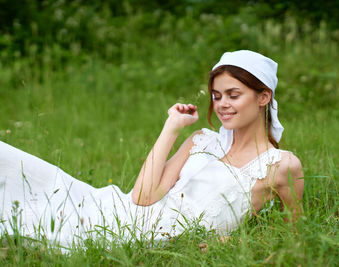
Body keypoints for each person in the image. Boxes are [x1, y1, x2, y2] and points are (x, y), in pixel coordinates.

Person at [0, 50, 304, 248]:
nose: (222, 104)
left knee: (32, 221)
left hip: (150, 238)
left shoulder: (281, 165)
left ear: (263, 97)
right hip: (121, 214)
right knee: (26, 176)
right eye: (216, 95)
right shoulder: (202, 140)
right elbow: (143, 197)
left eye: (233, 95)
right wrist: (171, 127)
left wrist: (229, 243)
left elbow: (294, 234)